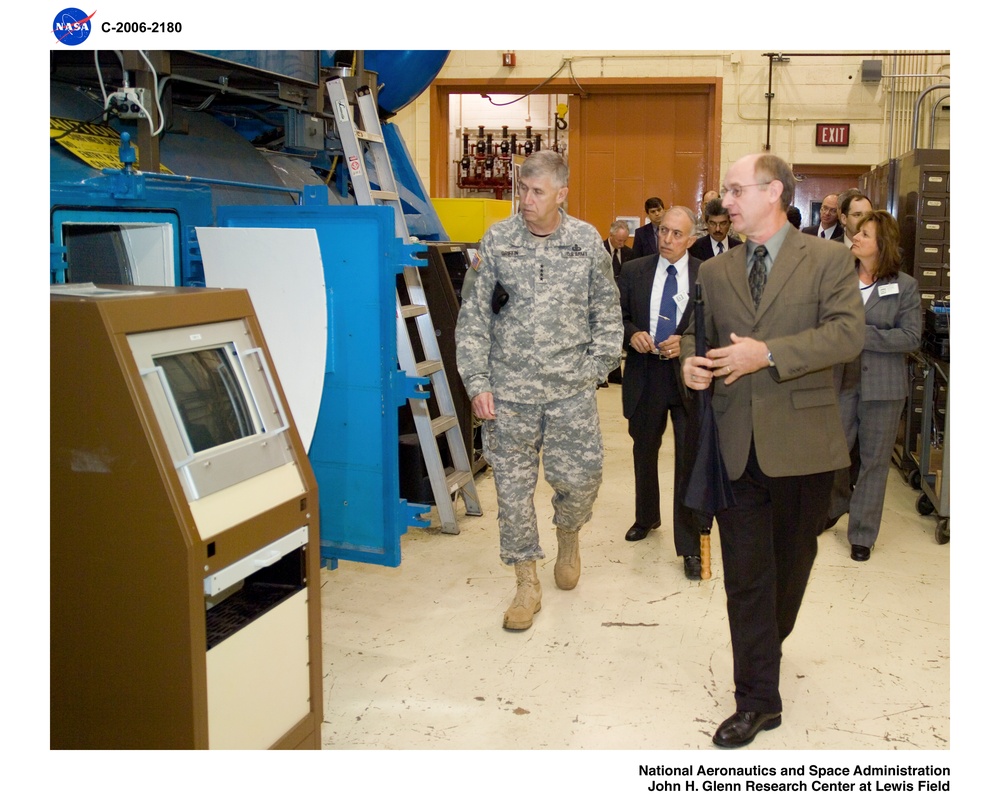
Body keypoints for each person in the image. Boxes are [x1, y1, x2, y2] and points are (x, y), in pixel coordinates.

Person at [680, 153, 865, 748]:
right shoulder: (714, 271)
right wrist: (689, 360)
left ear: (774, 192)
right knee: (745, 579)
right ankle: (758, 698)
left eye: (735, 190)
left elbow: (846, 334)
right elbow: (695, 332)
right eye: (726, 193)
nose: (725, 201)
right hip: (735, 447)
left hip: (805, 448)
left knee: (790, 568)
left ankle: (766, 643)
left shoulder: (829, 260)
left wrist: (770, 354)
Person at [454, 150, 624, 631]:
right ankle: (526, 583)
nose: (525, 201)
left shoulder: (586, 242)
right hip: (507, 394)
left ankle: (569, 529)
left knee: (583, 478)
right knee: (511, 491)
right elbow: (473, 319)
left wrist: (592, 370)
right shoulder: (499, 241)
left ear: (561, 194)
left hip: (569, 392)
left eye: (536, 192)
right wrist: (477, 382)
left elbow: (608, 317)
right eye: (521, 190)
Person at [619, 206, 711, 580]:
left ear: (692, 239)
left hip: (687, 377)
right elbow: (617, 316)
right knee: (644, 448)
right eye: (663, 232)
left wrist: (687, 342)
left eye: (677, 234)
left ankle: (688, 546)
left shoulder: (707, 274)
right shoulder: (634, 271)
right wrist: (632, 334)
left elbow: (714, 325)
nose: (667, 240)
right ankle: (646, 516)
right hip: (645, 374)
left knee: (688, 460)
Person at [825, 210, 922, 561]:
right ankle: (836, 504)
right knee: (834, 453)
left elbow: (910, 337)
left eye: (865, 234)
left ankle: (862, 533)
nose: (856, 238)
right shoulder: (840, 278)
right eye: (857, 232)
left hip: (883, 387)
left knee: (874, 461)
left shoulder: (905, 286)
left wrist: (860, 335)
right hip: (840, 380)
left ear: (882, 244)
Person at [603, 219, 634, 287]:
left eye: (625, 241)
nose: (622, 244)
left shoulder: (629, 253)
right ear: (611, 235)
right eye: (619, 240)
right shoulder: (600, 250)